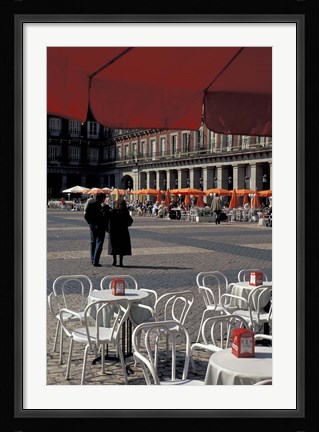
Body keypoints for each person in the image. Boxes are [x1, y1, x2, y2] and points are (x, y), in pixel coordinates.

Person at [107, 198, 133, 267]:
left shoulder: (113, 211)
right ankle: (121, 262)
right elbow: (130, 220)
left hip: (114, 231)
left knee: (114, 246)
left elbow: (108, 220)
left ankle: (114, 261)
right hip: (123, 231)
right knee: (122, 247)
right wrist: (127, 225)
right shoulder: (125, 211)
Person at [84, 193, 108, 267]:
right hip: (100, 226)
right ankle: (96, 261)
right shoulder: (103, 206)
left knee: (93, 242)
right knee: (99, 243)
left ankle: (92, 259)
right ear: (103, 199)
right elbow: (105, 217)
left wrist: (90, 223)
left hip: (92, 226)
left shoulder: (91, 204)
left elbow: (86, 215)